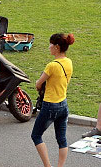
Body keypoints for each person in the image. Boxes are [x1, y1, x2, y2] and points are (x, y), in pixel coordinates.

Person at [32, 33, 75, 167]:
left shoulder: (52, 66)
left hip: (50, 105)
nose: (49, 47)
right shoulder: (68, 62)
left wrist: (39, 85)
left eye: (51, 44)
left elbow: (38, 84)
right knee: (62, 139)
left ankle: (47, 166)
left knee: (36, 135)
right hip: (63, 104)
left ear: (57, 47)